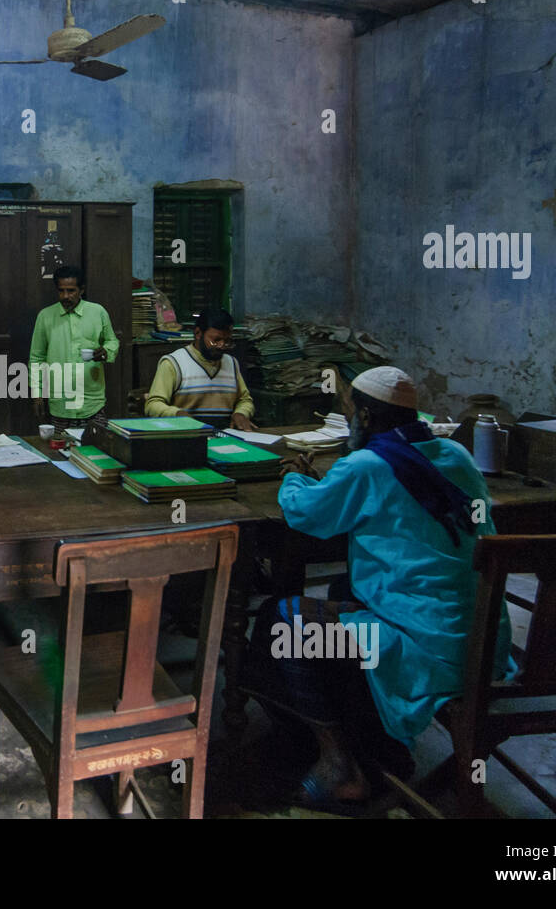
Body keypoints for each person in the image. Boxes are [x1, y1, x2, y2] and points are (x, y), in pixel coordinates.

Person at [245, 366, 513, 813]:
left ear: (366, 418)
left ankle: (339, 764)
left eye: (350, 412)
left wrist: (293, 477)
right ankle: (374, 738)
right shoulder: (456, 455)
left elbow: (306, 514)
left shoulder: (367, 465)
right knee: (342, 593)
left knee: (286, 621)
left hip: (425, 648)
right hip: (483, 641)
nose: (348, 420)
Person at [29, 266, 120, 430]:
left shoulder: (97, 312)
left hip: (92, 402)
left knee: (95, 451)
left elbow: (112, 341)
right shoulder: (45, 316)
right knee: (59, 451)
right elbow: (37, 358)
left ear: (82, 290)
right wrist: (37, 394)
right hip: (60, 403)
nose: (65, 296)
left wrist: (106, 352)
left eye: (71, 291)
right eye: (61, 291)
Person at [144, 308, 255, 430]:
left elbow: (244, 400)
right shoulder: (174, 363)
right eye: (216, 340)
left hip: (225, 435)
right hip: (187, 434)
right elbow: (152, 404)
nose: (222, 346)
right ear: (198, 334)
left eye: (227, 341)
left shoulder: (231, 363)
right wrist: (176, 414)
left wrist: (241, 413)